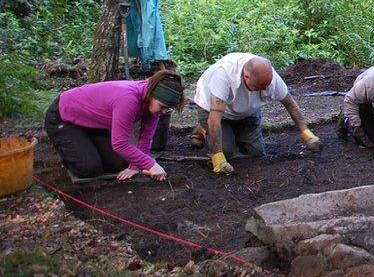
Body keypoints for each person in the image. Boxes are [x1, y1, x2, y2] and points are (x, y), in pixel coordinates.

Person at [189, 53, 321, 174]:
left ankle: (231, 132)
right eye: (259, 86)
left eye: (266, 86)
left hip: (246, 111)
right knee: (227, 152)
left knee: (256, 152)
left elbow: (290, 104)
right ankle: (202, 129)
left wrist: (307, 135)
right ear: (246, 76)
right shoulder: (223, 74)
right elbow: (214, 119)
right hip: (214, 112)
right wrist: (218, 158)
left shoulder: (270, 79)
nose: (264, 89)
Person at [45, 69, 185, 182]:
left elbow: (146, 137)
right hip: (63, 116)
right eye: (162, 106)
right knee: (89, 168)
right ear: (152, 94)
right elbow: (120, 144)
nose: (163, 111)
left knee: (120, 164)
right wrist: (151, 164)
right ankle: (70, 150)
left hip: (92, 122)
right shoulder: (128, 100)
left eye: (167, 108)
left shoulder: (151, 104)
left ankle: (84, 144)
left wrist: (136, 167)